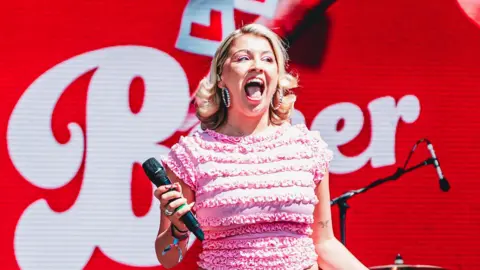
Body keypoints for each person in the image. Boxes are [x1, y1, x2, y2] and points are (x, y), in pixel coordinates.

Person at [153, 23, 368, 270]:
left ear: (277, 76)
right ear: (222, 77)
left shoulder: (307, 148)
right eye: (243, 58)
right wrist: (179, 228)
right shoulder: (192, 155)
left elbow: (325, 244)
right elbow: (169, 257)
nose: (257, 65)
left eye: (267, 59)